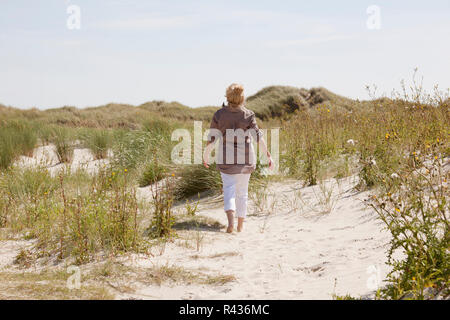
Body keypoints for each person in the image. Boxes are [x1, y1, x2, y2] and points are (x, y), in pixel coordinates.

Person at [203, 83, 274, 233]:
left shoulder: (219, 115)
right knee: (242, 192)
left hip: (226, 159)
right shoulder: (248, 115)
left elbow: (212, 138)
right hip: (246, 158)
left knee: (229, 190)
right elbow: (258, 138)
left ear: (227, 97)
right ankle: (240, 226)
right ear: (242, 98)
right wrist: (268, 155)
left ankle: (230, 224)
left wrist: (206, 155)